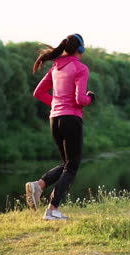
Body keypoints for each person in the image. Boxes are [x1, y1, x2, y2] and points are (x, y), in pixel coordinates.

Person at [25, 33, 96, 220]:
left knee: (67, 164)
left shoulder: (55, 67)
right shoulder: (81, 68)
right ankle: (52, 210)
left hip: (54, 119)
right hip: (71, 119)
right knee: (72, 167)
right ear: (80, 49)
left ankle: (39, 185)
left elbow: (38, 92)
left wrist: (57, 105)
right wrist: (90, 98)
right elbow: (80, 99)